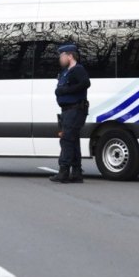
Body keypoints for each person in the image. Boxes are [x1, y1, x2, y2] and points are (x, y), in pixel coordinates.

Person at [51, 44, 91, 183]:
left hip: (75, 109)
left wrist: (66, 90)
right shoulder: (65, 71)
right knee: (73, 141)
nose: (60, 59)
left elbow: (85, 83)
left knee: (66, 139)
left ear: (69, 56)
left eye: (61, 56)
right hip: (67, 110)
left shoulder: (77, 69)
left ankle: (64, 171)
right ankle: (76, 172)